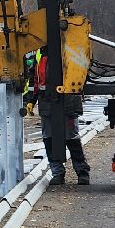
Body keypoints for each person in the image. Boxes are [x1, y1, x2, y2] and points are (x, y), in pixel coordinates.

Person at [24, 47, 90, 186]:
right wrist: (30, 100)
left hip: (68, 103)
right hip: (47, 104)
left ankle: (82, 173)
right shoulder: (39, 56)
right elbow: (34, 81)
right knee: (49, 139)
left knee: (72, 138)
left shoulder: (70, 49)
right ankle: (58, 173)